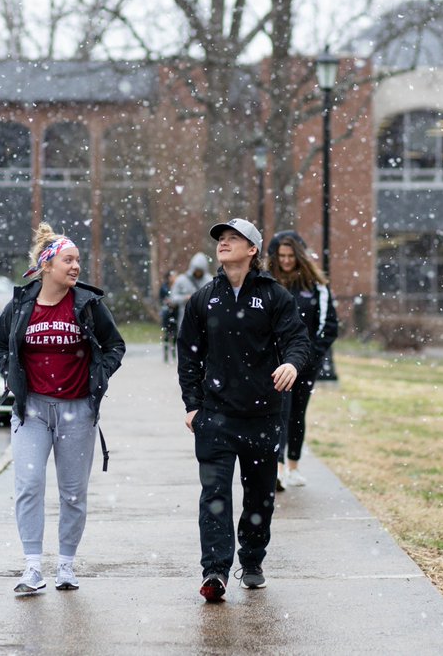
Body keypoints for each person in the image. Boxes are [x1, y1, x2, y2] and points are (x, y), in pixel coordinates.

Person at [0, 223, 126, 594]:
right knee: (29, 486)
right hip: (31, 412)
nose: (76, 266)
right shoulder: (22, 305)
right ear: (47, 265)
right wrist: (11, 375)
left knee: (72, 492)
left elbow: (115, 346)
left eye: (78, 259)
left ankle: (66, 565)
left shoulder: (87, 304)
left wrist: (100, 374)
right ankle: (32, 567)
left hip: (77, 412)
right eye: (68, 259)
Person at [177, 218, 310, 602]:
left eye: (233, 238)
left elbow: (298, 340)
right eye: (221, 238)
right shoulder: (204, 299)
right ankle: (215, 571)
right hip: (216, 416)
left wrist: (292, 364)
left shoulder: (273, 296)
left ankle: (251, 561)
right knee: (214, 494)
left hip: (263, 415)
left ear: (252, 250)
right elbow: (189, 355)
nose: (223, 243)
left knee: (259, 496)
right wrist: (192, 406)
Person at [267, 230, 339, 490]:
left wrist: (311, 355)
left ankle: (293, 466)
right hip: (278, 361)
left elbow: (329, 325)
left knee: (297, 412)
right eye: (281, 256)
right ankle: (277, 468)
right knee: (279, 412)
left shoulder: (316, 285)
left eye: (290, 256)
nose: (286, 261)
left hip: (307, 362)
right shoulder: (269, 283)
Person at [168, 252, 212, 329]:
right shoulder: (181, 280)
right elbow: (172, 298)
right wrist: (185, 298)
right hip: (186, 317)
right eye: (196, 270)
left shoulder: (210, 280)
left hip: (205, 318)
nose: (198, 273)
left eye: (200, 271)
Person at [159, 269, 177, 362]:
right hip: (167, 313)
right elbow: (161, 299)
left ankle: (173, 354)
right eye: (172, 276)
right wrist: (167, 302)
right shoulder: (164, 287)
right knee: (166, 333)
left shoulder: (177, 286)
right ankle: (166, 354)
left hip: (175, 313)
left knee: (175, 334)